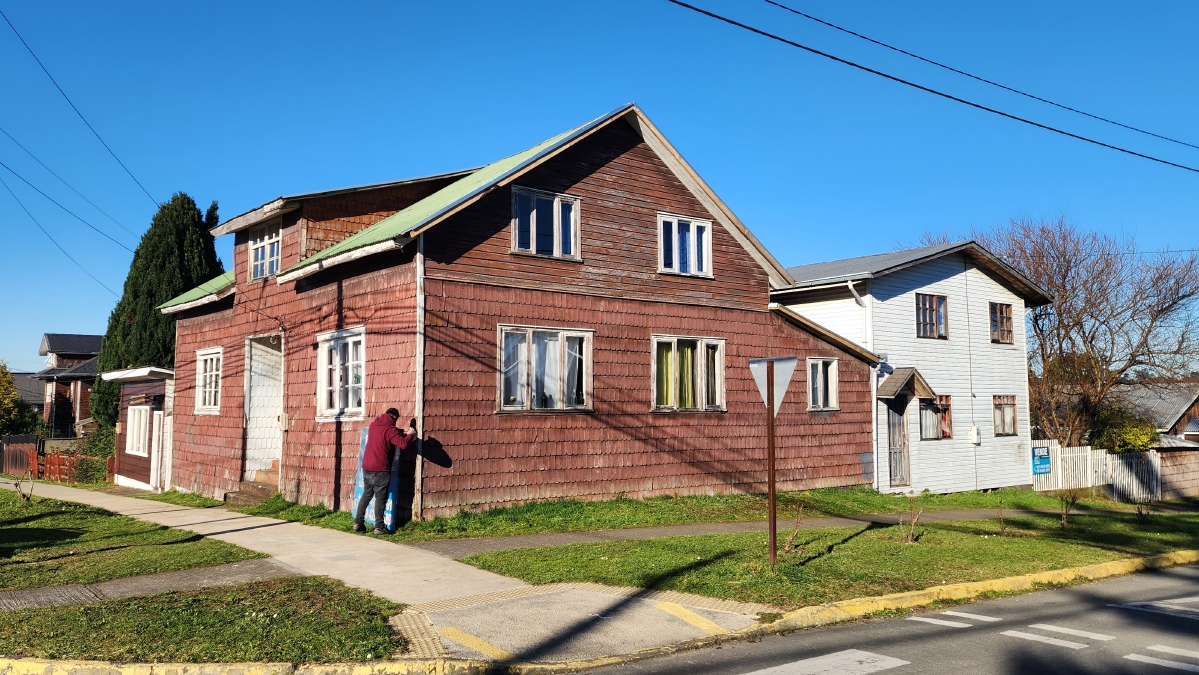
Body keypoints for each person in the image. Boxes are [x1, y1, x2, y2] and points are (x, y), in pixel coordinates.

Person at [353, 408, 416, 534]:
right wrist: (410, 434)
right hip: (380, 468)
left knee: (366, 494)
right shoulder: (390, 429)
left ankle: (358, 523)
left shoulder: (373, 425)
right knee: (380, 498)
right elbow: (402, 444)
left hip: (366, 466)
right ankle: (379, 527)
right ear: (394, 418)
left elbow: (383, 439)